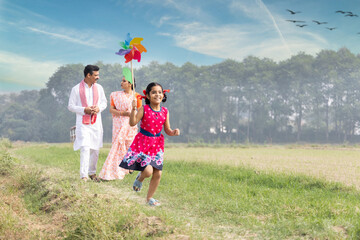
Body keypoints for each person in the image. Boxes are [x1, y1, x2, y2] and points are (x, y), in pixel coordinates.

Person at [120, 82, 180, 206]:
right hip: (143, 144)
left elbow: (167, 130)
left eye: (159, 92)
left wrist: (173, 132)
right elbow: (132, 123)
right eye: (154, 92)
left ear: (163, 95)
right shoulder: (144, 109)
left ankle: (149, 198)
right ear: (147, 96)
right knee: (147, 172)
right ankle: (140, 178)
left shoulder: (165, 111)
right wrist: (133, 110)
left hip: (157, 145)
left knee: (158, 173)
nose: (157, 94)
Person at [99, 73, 142, 180]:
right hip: (119, 123)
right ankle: (113, 170)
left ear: (130, 84)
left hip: (131, 124)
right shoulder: (115, 95)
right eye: (122, 80)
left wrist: (133, 109)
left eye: (124, 81)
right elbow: (111, 109)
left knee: (130, 144)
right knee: (118, 145)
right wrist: (124, 113)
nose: (121, 83)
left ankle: (130, 166)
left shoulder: (137, 96)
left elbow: (140, 112)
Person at [68, 65, 107, 182]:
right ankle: (83, 175)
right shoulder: (76, 89)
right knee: (85, 147)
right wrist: (84, 110)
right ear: (88, 75)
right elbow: (70, 106)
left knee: (95, 149)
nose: (98, 77)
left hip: (96, 123)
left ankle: (92, 173)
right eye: (96, 75)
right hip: (83, 123)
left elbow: (104, 103)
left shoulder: (99, 88)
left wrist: (98, 108)